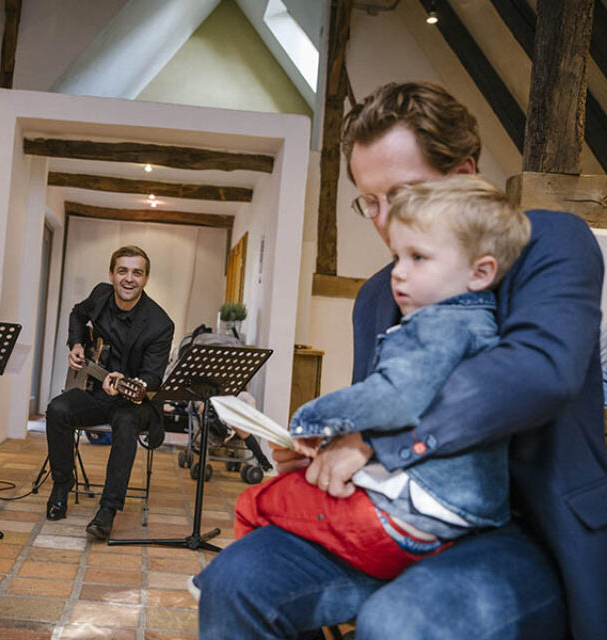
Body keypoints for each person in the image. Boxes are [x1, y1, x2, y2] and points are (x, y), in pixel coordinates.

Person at [196, 82, 607, 639]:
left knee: (401, 621)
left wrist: (376, 445)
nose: (386, 221)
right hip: (405, 516)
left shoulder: (549, 241)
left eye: (404, 193)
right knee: (235, 577)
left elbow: (538, 368)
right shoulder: (376, 297)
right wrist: (329, 449)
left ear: (464, 174)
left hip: (532, 530)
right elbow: (382, 401)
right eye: (370, 201)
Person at [235, 176, 530, 579]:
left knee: (257, 501)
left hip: (413, 519)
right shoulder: (480, 322)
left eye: (418, 258)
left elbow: (392, 398)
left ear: (480, 273)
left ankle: (244, 584)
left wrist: (310, 418)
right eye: (398, 257)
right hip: (470, 513)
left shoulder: (437, 327)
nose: (399, 273)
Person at [45, 245, 173, 540]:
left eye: (137, 273)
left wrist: (128, 381)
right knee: (57, 410)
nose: (129, 279)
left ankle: (108, 510)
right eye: (123, 271)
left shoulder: (160, 323)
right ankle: (62, 484)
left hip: (134, 399)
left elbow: (152, 378)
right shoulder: (101, 294)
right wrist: (76, 344)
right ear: (112, 275)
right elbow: (78, 314)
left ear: (146, 278)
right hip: (96, 389)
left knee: (126, 423)